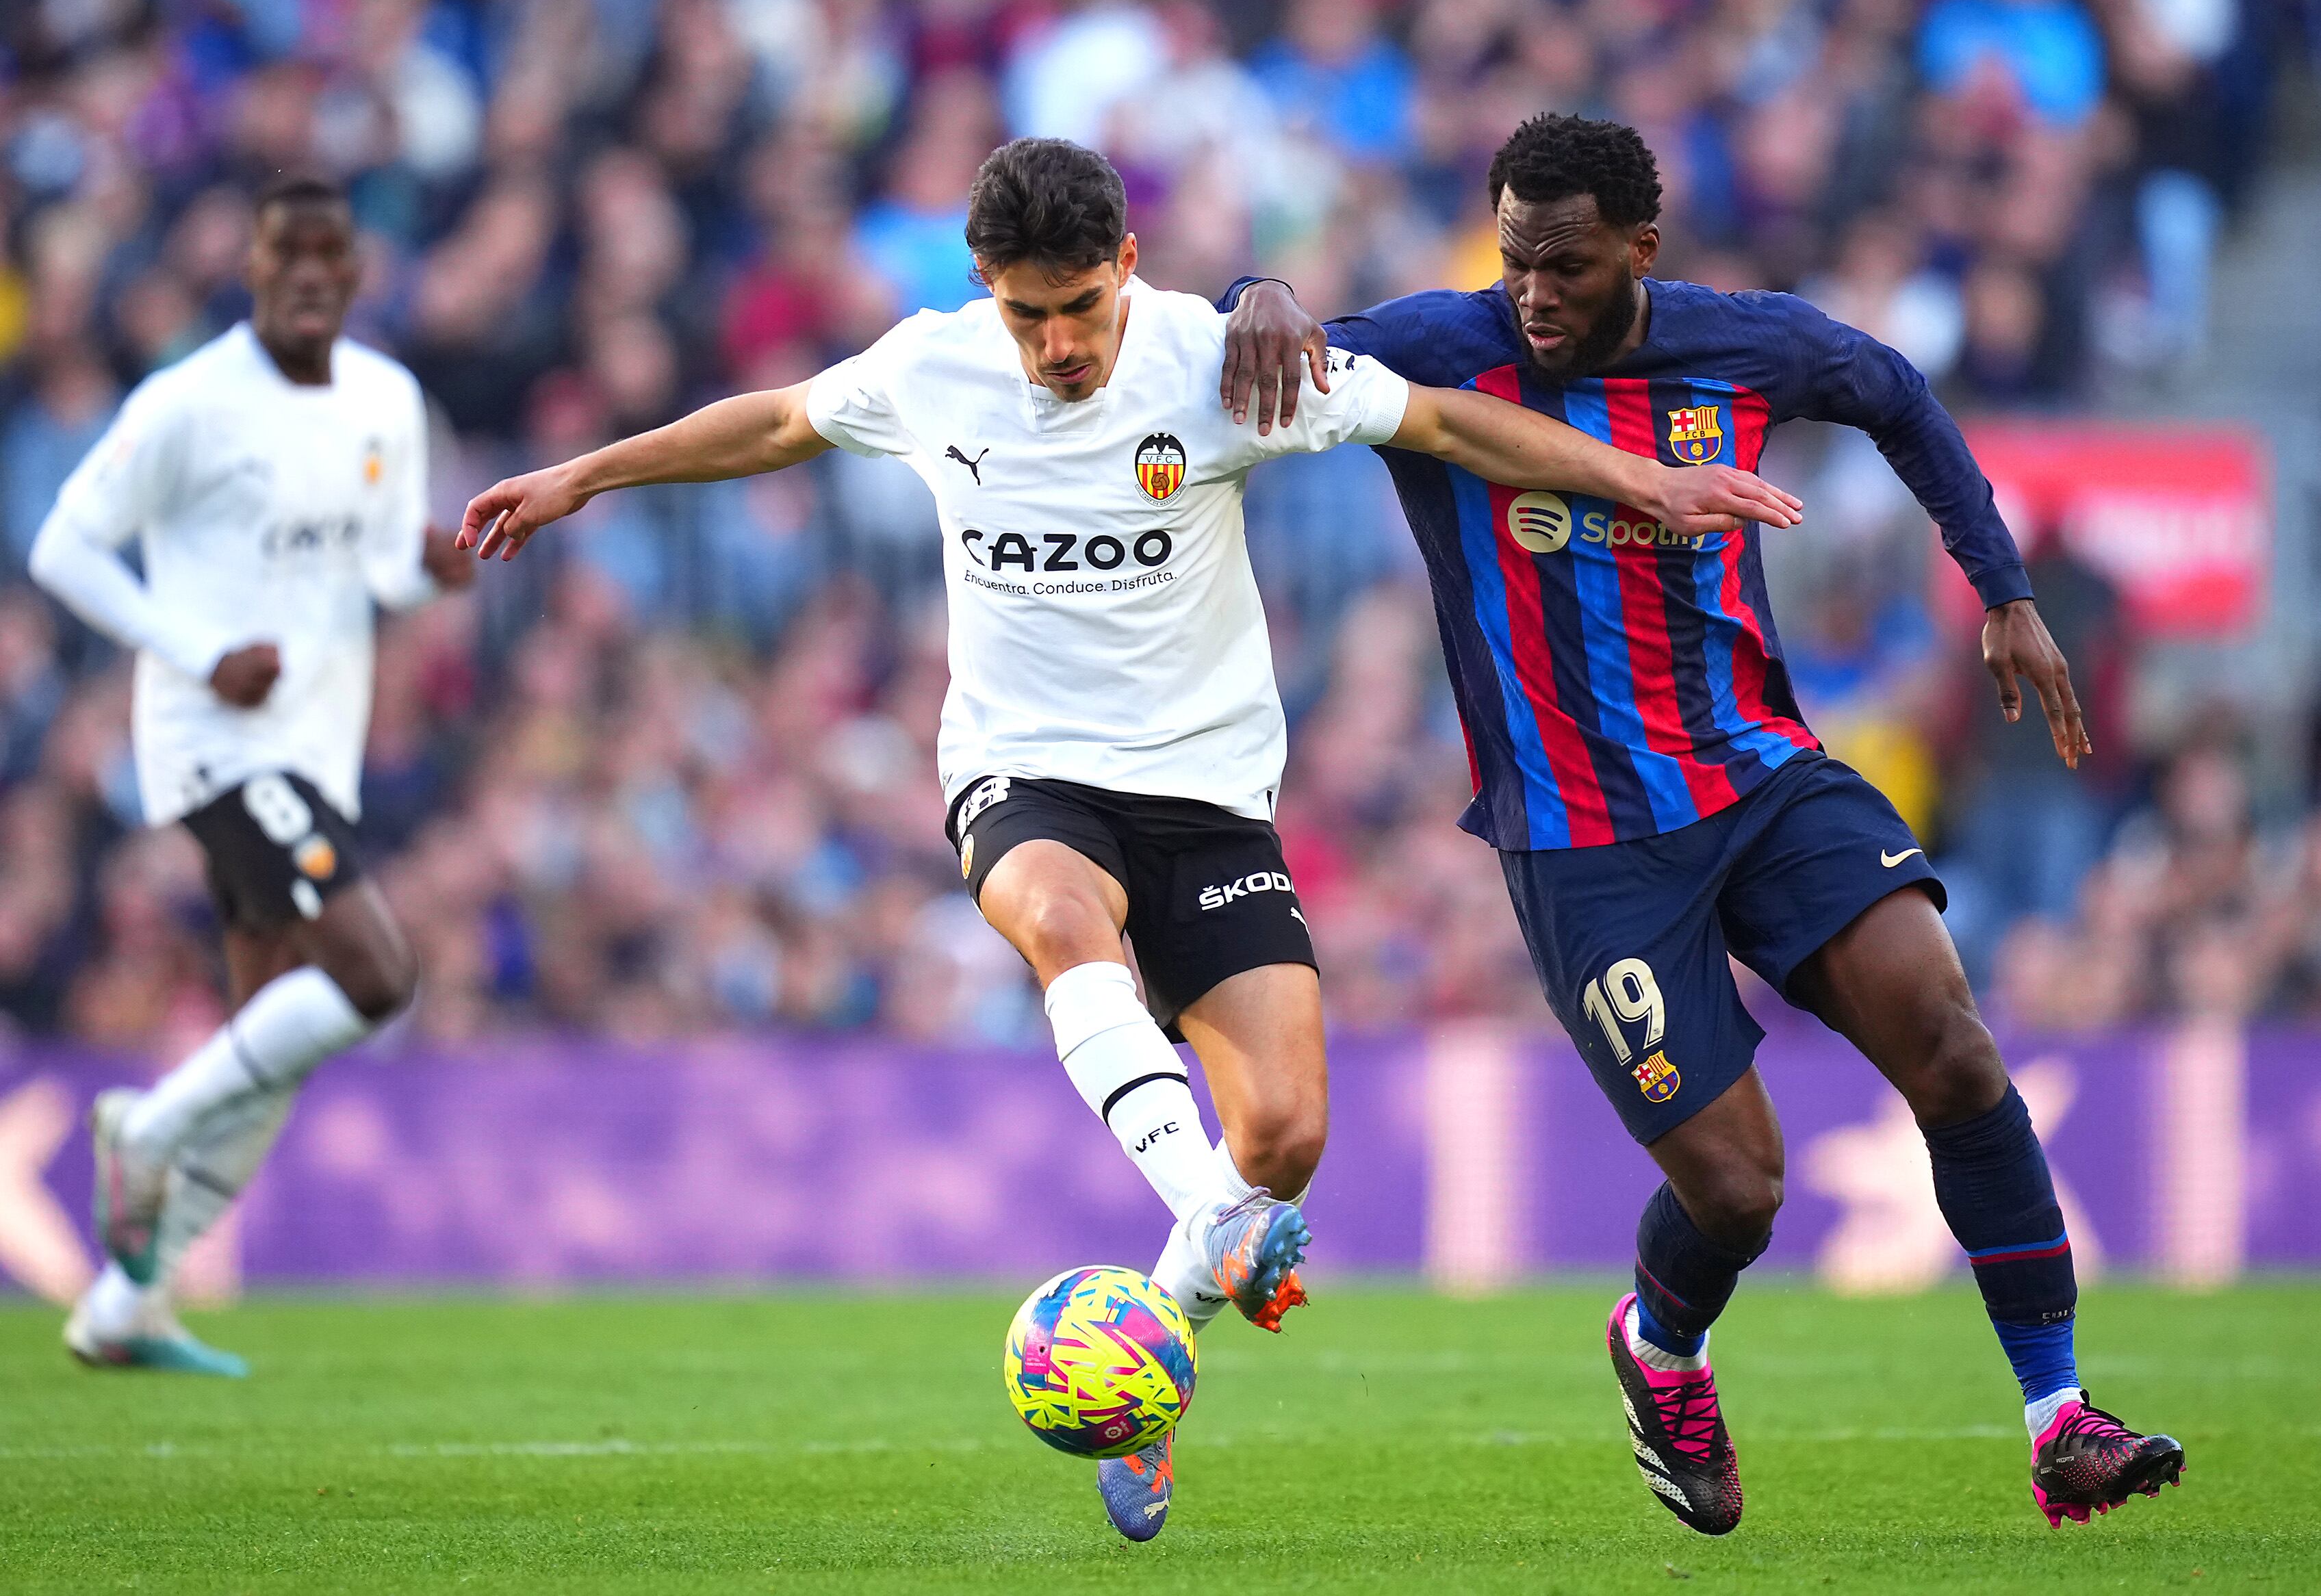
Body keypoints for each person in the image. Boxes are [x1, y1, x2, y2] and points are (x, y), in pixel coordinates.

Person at [455, 137, 1799, 1542]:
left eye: (1079, 309)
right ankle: (1202, 1214)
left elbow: (1447, 426)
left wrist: (1638, 484)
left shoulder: (1220, 367)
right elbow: (778, 421)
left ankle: (1143, 1368)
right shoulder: (932, 366)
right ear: (986, 291)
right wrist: (583, 476)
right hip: (1024, 770)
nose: (1054, 344)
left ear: (1128, 273)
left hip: (1208, 793)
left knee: (1280, 1130)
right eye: (1026, 313)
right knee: (1055, 920)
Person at [1219, 114, 2184, 1534]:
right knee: (1737, 1188)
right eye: (1513, 259)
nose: (1532, 292)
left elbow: (1900, 395)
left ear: (1637, 251)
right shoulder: (1441, 344)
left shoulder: (1741, 344)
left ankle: (2058, 1415)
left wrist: (2002, 588)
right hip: (1582, 842)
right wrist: (1263, 288)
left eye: (1564, 263)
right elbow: (1277, 342)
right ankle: (1659, 1344)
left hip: (1760, 777)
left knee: (1953, 1041)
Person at [30, 176, 474, 1376]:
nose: (314, 276)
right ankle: (146, 1124)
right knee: (377, 974)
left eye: (334, 255)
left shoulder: (385, 396)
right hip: (216, 742)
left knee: (275, 1027)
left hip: (316, 744)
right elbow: (62, 544)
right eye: (290, 256)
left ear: (357, 272)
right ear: (254, 268)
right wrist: (198, 654)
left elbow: (374, 566)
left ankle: (129, 1299)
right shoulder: (189, 404)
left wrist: (426, 569)